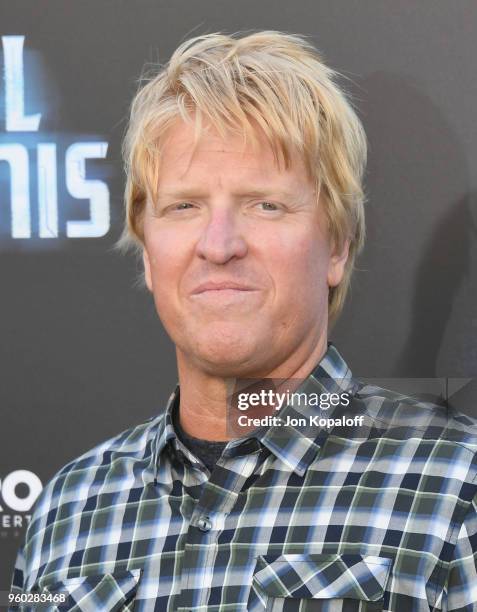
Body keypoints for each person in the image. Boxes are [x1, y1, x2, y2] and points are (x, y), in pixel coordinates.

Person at [10, 31, 477, 611]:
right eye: (184, 206)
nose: (219, 244)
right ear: (148, 249)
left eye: (265, 204)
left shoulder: (459, 489)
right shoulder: (67, 511)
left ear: (337, 246)